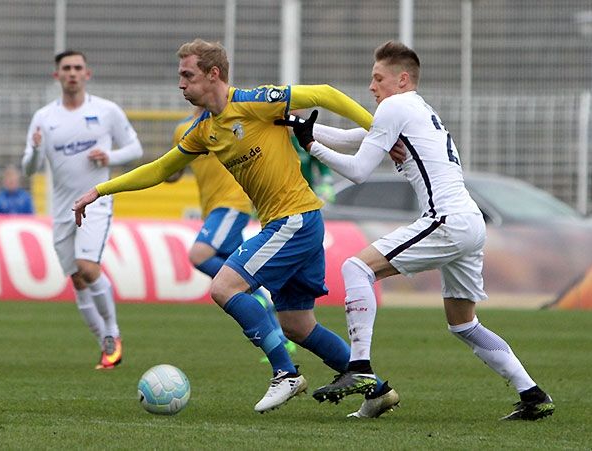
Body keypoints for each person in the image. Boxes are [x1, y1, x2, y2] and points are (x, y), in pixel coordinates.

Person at [73, 38, 388, 413]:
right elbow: (159, 170)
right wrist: (100, 189)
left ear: (213, 74)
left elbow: (324, 93)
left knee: (224, 287)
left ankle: (285, 374)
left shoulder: (254, 102)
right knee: (297, 326)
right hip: (293, 222)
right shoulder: (204, 130)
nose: (181, 84)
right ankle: (377, 389)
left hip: (295, 220)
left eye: (187, 75)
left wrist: (378, 131)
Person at [282, 40, 555, 421]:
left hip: (446, 218)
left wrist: (310, 145)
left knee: (355, 268)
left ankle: (359, 367)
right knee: (464, 323)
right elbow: (352, 138)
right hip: (469, 221)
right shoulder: (415, 109)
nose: (372, 87)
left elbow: (359, 171)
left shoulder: (395, 106)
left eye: (378, 78)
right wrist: (300, 126)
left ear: (403, 79)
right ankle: (533, 395)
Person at [22, 50, 143, 370]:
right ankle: (104, 343)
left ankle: (113, 334)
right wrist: (35, 148)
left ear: (87, 74)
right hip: (61, 208)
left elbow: (135, 148)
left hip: (96, 201)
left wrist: (110, 157)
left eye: (77, 68)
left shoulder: (106, 111)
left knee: (88, 267)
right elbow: (29, 168)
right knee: (77, 279)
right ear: (57, 75)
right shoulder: (44, 118)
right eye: (66, 68)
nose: (72, 73)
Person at [169, 107, 296, 360]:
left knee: (199, 255)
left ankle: (260, 298)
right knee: (239, 273)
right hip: (213, 210)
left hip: (232, 204)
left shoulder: (232, 119)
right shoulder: (184, 129)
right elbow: (172, 173)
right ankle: (278, 335)